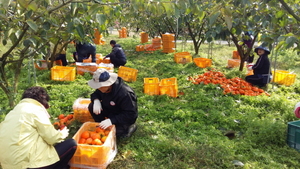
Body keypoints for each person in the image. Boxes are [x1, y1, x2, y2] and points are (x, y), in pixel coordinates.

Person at [0, 86, 77, 169]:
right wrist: (62, 134)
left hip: (8, 165)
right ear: (43, 101)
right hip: (28, 165)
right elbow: (52, 138)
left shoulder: (13, 112)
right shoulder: (35, 109)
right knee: (71, 144)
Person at [87, 68, 138, 138]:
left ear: (109, 83)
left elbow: (131, 114)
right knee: (92, 106)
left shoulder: (125, 94)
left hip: (121, 116)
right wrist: (96, 100)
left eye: (100, 86)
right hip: (110, 109)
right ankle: (101, 125)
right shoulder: (103, 89)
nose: (98, 88)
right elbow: (96, 94)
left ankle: (130, 127)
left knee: (116, 133)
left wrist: (112, 120)